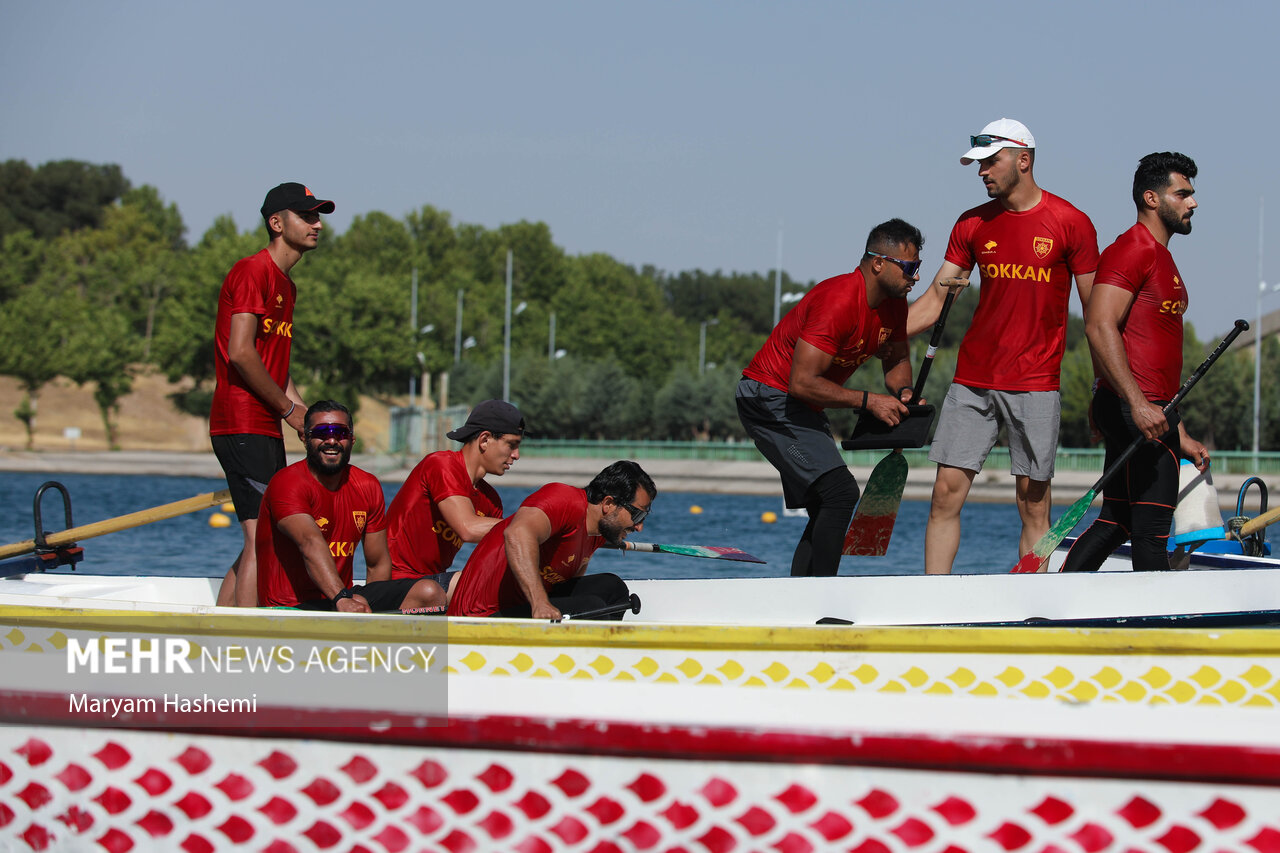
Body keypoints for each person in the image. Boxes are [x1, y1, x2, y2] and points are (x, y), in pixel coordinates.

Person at [907, 119, 1099, 574]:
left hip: (1036, 383)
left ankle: (1031, 608)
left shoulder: (1072, 223)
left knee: (1034, 508)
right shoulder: (972, 223)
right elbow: (934, 301)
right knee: (943, 497)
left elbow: (1098, 319)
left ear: (1023, 160)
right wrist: (872, 332)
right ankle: (933, 605)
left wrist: (1103, 388)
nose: (982, 173)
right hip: (972, 380)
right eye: (979, 164)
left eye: (991, 162)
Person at [736, 218, 921, 577]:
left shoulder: (895, 304)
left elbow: (896, 359)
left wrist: (903, 393)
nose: (915, 277)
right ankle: (823, 598)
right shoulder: (838, 299)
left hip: (800, 403)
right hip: (767, 397)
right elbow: (802, 383)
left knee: (827, 502)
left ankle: (804, 597)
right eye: (909, 268)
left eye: (918, 268)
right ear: (878, 262)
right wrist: (870, 402)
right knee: (840, 494)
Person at [1063, 152, 1208, 572]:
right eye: (1182, 194)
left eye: (1192, 194)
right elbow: (1098, 325)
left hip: (1147, 408)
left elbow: (1151, 359)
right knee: (1152, 527)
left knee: (1119, 520)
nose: (1192, 203)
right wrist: (1136, 404)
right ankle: (1157, 629)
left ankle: (1058, 601)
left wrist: (1179, 431)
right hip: (1136, 408)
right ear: (1151, 198)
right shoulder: (1132, 249)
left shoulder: (1161, 255)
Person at [211, 182, 334, 607]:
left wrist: (306, 415)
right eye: (307, 216)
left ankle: (220, 628)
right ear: (277, 223)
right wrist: (288, 411)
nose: (317, 224)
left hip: (263, 424)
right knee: (261, 535)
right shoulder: (251, 271)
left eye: (319, 216)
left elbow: (275, 367)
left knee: (258, 533)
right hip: (241, 420)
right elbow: (242, 354)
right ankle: (244, 645)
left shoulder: (287, 285)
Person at [256, 400, 446, 612]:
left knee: (430, 592)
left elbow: (378, 563)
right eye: (322, 432)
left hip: (338, 598)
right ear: (305, 438)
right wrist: (343, 598)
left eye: (340, 433)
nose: (331, 440)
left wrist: (374, 607)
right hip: (288, 605)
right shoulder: (288, 483)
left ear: (352, 440)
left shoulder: (368, 485)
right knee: (360, 602)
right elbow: (309, 543)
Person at [448, 460, 655, 619]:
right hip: (480, 615)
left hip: (520, 607)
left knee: (612, 588)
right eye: (637, 516)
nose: (639, 527)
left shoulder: (597, 534)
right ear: (608, 503)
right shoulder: (562, 499)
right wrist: (539, 602)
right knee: (591, 607)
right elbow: (516, 533)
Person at [383, 400, 525, 600]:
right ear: (484, 440)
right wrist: (528, 525)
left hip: (431, 584)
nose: (516, 455)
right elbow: (467, 527)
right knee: (468, 584)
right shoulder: (442, 465)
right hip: (393, 581)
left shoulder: (491, 501)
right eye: (511, 445)